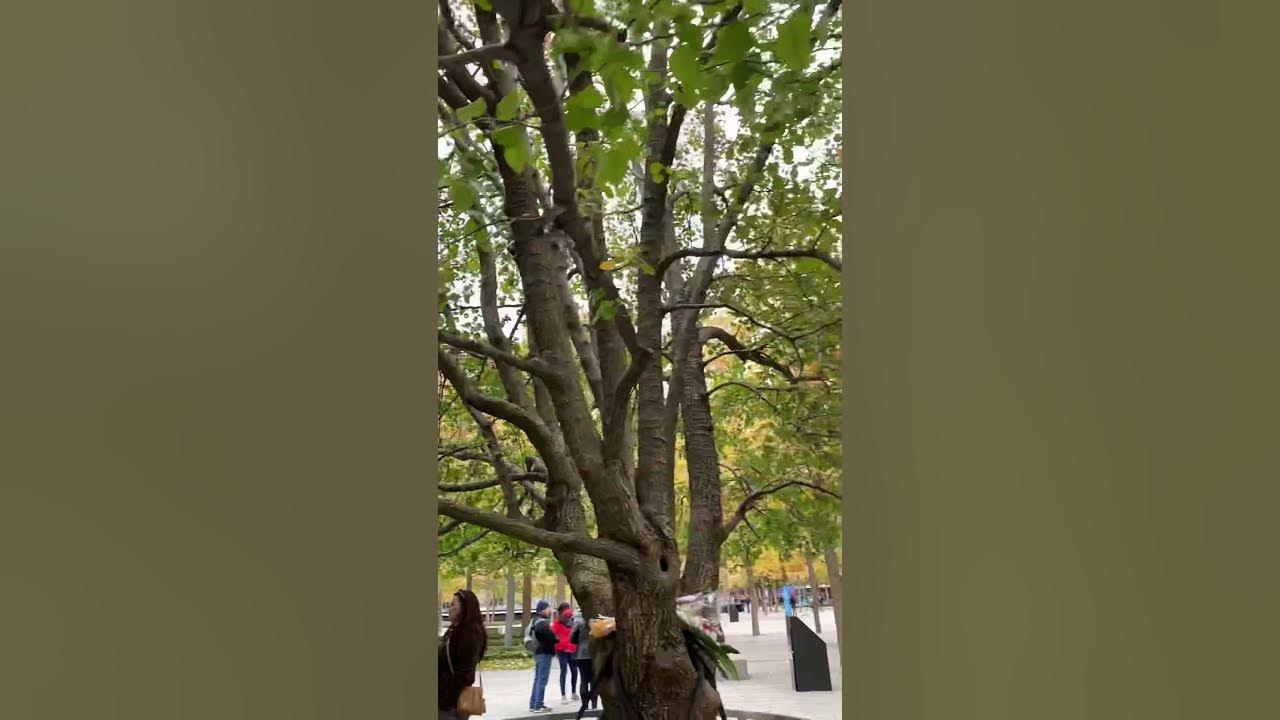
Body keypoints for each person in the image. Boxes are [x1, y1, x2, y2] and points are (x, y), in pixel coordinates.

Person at [439, 589, 487, 720]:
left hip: (449, 705)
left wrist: (447, 699)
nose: (449, 608)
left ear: (464, 608)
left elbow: (466, 673)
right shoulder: (453, 630)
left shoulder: (469, 635)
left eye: (453, 605)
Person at [527, 600, 559, 714]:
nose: (550, 610)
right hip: (544, 652)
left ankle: (533, 704)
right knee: (542, 680)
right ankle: (538, 705)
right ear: (542, 610)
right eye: (548, 608)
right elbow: (548, 635)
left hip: (537, 652)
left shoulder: (534, 621)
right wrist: (555, 639)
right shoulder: (542, 623)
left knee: (537, 679)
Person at [569, 611, 597, 717]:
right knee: (594, 679)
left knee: (584, 680)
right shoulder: (595, 618)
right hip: (594, 653)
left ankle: (585, 704)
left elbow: (571, 638)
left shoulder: (578, 620)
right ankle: (594, 703)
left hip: (581, 654)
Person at [553, 603, 579, 704]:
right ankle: (563, 695)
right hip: (561, 651)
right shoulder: (557, 624)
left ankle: (573, 692)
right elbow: (553, 635)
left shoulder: (573, 622)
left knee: (574, 671)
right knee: (564, 671)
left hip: (572, 650)